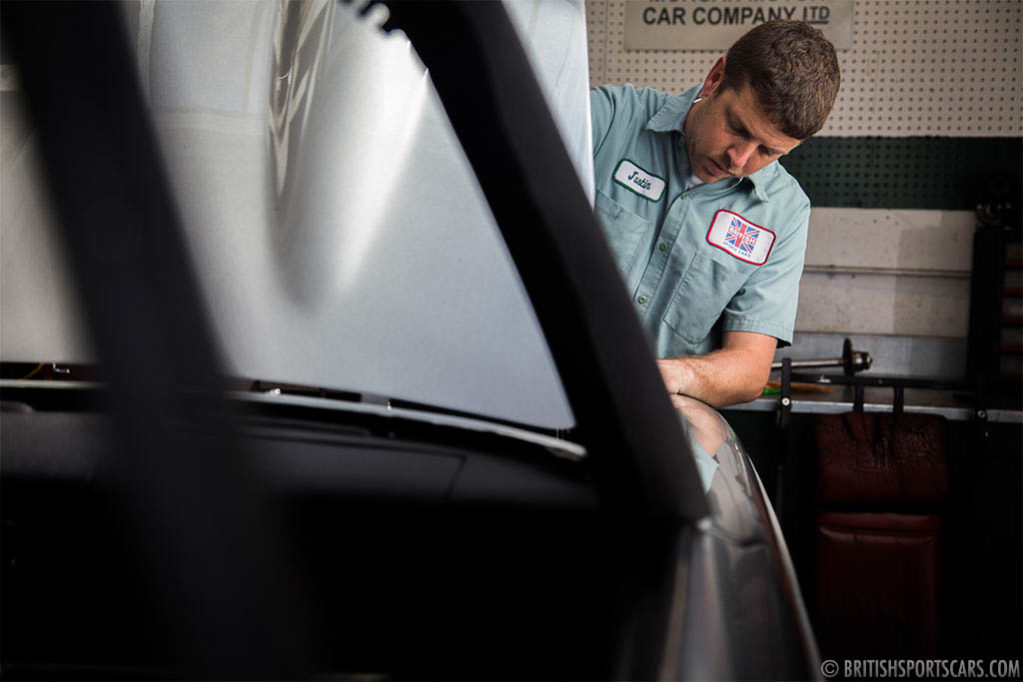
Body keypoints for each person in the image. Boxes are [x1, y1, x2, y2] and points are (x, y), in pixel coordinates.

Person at [590, 20, 840, 408]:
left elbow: (750, 368)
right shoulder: (607, 121)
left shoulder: (784, 213)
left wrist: (671, 375)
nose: (739, 159)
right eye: (737, 127)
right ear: (715, 78)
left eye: (768, 152)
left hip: (649, 422)